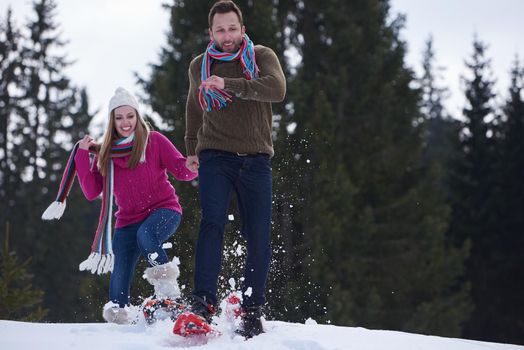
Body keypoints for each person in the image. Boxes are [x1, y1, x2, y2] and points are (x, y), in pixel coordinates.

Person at [44, 87, 198, 324]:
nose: (125, 122)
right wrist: (83, 157)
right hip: (127, 220)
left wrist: (191, 165)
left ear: (137, 116)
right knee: (119, 277)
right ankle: (119, 327)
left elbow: (180, 170)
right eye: (119, 117)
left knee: (146, 235)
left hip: (164, 210)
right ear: (112, 121)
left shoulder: (154, 141)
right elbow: (91, 191)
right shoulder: (106, 153)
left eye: (130, 116)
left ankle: (169, 295)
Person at [183, 0, 286, 338]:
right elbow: (194, 107)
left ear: (242, 29)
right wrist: (191, 149)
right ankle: (202, 303)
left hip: (256, 158)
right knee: (211, 223)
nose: (226, 36)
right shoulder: (200, 65)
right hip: (215, 154)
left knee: (258, 234)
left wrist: (231, 84)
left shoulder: (261, 56)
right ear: (210, 32)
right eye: (220, 30)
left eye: (232, 28)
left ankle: (252, 308)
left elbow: (277, 89)